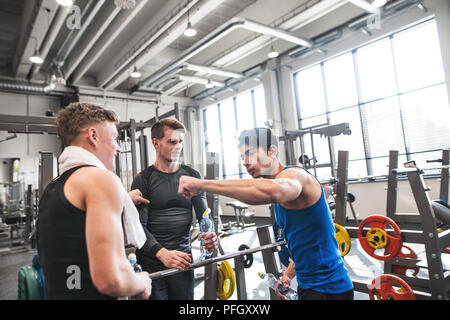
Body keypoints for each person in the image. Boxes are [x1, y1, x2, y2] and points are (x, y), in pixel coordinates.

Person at [178, 127, 354, 300]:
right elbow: (305, 243)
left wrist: (201, 184)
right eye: (242, 156)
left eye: (250, 153)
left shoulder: (294, 175)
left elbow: (273, 192)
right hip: (309, 286)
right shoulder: (279, 189)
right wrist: (288, 275)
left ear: (272, 150)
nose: (245, 161)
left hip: (330, 289)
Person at [36, 102, 152, 300]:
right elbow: (111, 280)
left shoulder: (54, 187)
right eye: (115, 138)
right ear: (93, 135)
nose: (118, 148)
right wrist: (142, 280)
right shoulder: (100, 180)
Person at [130, 119, 218, 300]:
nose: (178, 146)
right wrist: (162, 254)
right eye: (172, 142)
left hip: (183, 261)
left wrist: (210, 235)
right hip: (152, 262)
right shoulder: (144, 179)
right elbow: (139, 228)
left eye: (181, 141)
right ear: (155, 143)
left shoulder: (192, 176)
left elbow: (205, 217)